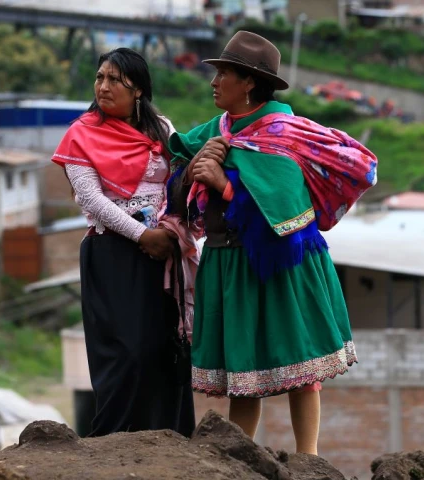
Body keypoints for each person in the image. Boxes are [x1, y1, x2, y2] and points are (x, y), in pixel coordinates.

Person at [167, 31, 377, 455]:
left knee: (302, 369)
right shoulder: (218, 128)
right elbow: (179, 162)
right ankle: (239, 459)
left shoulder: (282, 133)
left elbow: (288, 212)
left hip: (282, 263)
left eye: (223, 73)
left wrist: (225, 186)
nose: (213, 81)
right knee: (244, 376)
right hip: (228, 262)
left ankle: (309, 460)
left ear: (248, 82)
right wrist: (191, 171)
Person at [51, 48, 195, 438]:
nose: (104, 86)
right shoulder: (81, 133)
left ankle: (171, 440)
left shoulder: (163, 130)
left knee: (165, 349)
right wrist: (142, 235)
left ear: (138, 90)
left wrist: (171, 230)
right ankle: (111, 444)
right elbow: (90, 199)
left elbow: (180, 181)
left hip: (163, 252)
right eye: (100, 77)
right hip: (112, 254)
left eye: (115, 79)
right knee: (126, 353)